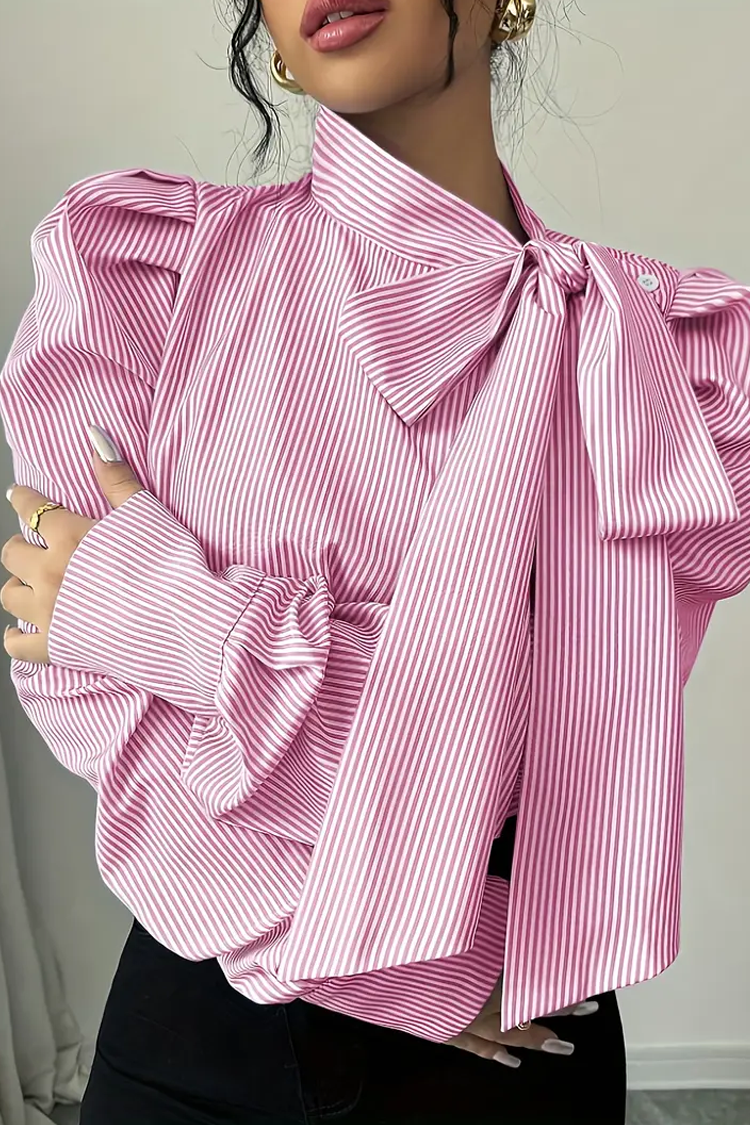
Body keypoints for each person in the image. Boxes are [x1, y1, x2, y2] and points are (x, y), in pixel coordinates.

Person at [1, 0, 749, 1122]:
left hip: (518, 1025)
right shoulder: (146, 272)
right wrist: (403, 967)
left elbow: (560, 746)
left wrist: (166, 615)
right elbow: (80, 684)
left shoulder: (664, 359)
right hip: (220, 1029)